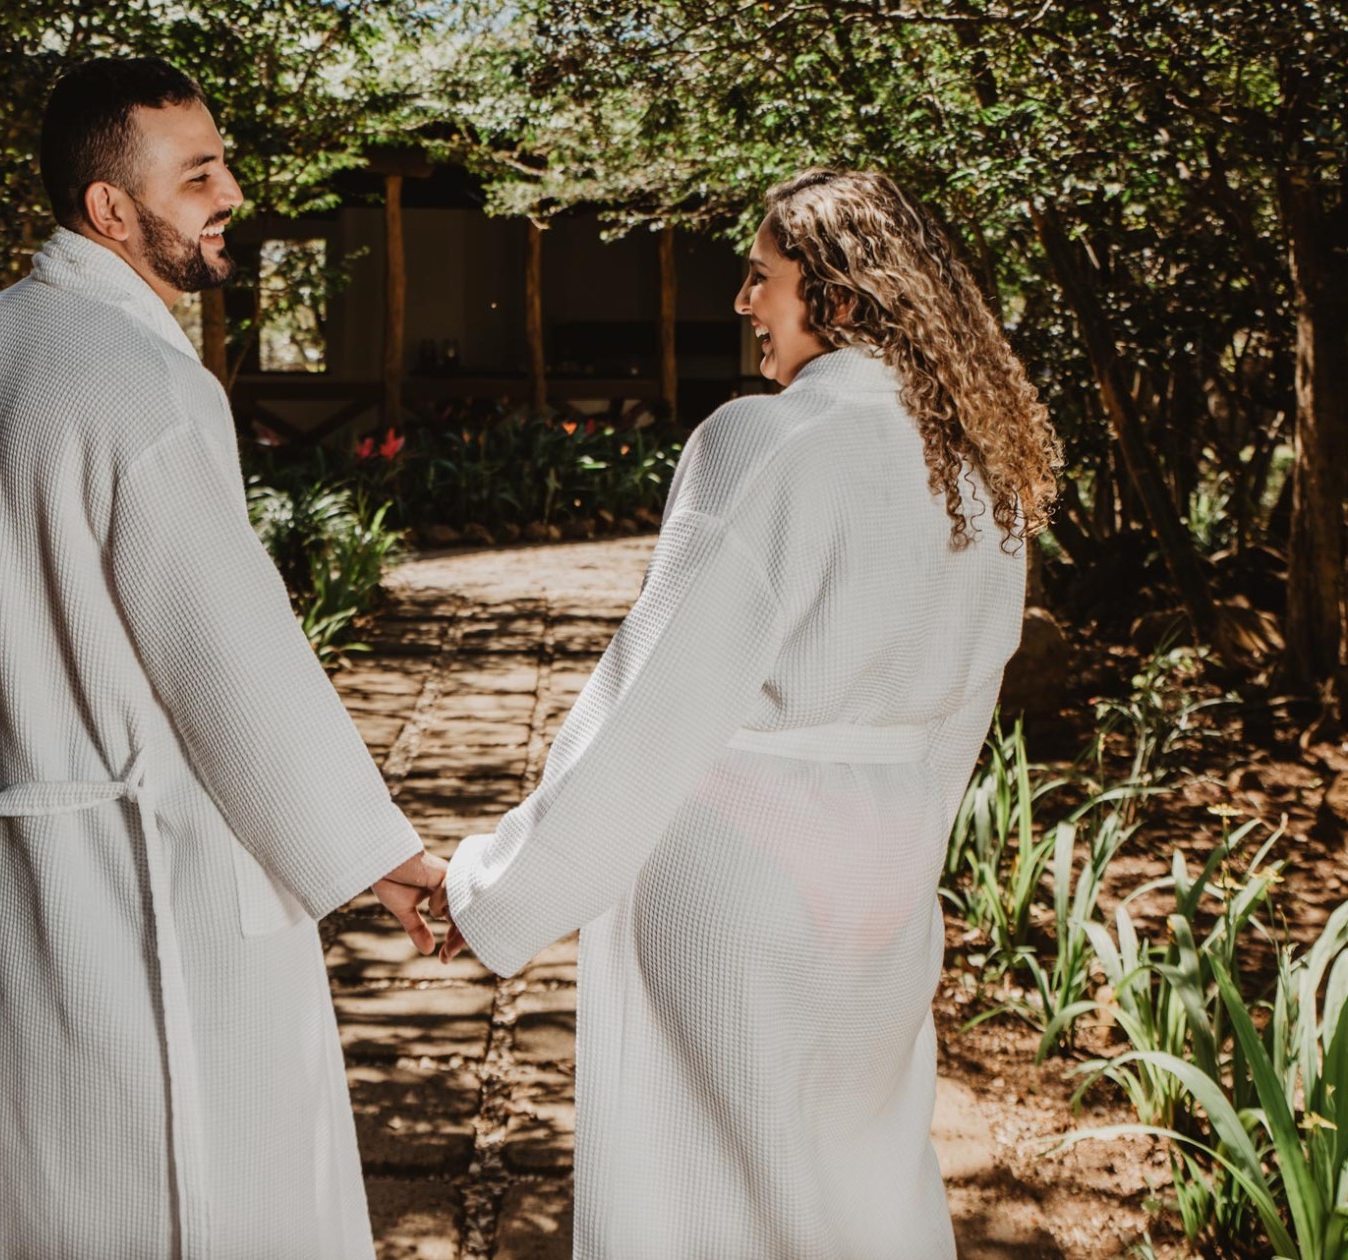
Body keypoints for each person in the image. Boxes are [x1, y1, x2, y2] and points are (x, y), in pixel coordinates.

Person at [0, 57, 445, 1259]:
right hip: (135, 879)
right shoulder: (145, 381)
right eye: (199, 175)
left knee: (8, 1189)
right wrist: (378, 854)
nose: (233, 193)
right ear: (110, 209)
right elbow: (230, 661)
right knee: (187, 1188)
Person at [436, 168, 1060, 1258]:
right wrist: (905, 864)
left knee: (709, 1196)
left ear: (842, 297)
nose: (742, 302)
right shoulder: (981, 472)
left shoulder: (766, 441)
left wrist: (494, 887)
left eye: (760, 276)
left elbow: (655, 701)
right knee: (857, 1185)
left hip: (737, 876)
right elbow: (967, 707)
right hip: (885, 880)